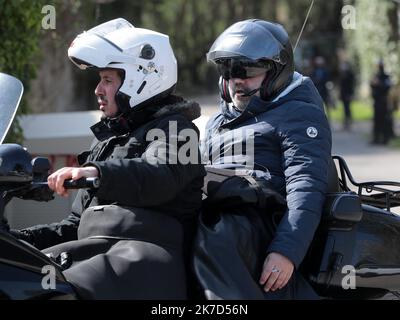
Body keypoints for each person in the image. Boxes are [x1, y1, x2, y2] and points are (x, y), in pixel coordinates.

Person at [10, 18, 205, 299]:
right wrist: (15, 243)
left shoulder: (178, 129)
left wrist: (96, 173)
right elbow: (75, 226)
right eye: (100, 79)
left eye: (107, 80)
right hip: (95, 254)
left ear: (142, 78)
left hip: (144, 260)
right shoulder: (107, 140)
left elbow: (161, 175)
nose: (98, 90)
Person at [193, 19, 332, 299]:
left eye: (247, 70)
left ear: (276, 74)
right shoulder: (217, 122)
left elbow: (305, 186)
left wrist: (286, 252)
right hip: (220, 212)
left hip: (262, 223)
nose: (237, 81)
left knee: (218, 237)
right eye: (229, 71)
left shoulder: (299, 113)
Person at [370, 60, 392, 144]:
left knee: (384, 121)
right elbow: (372, 85)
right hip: (377, 101)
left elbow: (387, 87)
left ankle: (385, 139)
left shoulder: (386, 77)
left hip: (384, 101)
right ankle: (376, 138)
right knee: (377, 121)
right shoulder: (376, 76)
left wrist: (379, 84)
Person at [338, 61, 355, 130]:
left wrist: (351, 94)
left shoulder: (350, 75)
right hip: (343, 94)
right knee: (345, 108)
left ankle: (348, 123)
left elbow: (351, 86)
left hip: (348, 94)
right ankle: (346, 123)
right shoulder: (342, 75)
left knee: (347, 108)